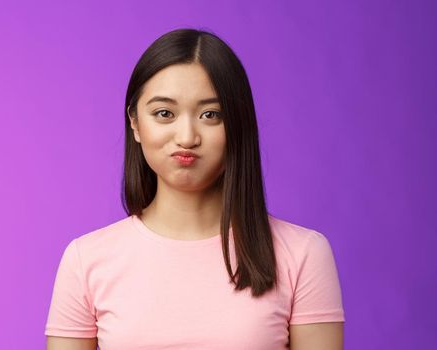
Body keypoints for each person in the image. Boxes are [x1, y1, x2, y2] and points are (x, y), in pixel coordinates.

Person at [45, 28, 345, 350]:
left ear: (237, 125)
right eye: (164, 113)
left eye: (210, 115)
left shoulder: (302, 254)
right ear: (134, 122)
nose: (187, 136)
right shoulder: (85, 260)